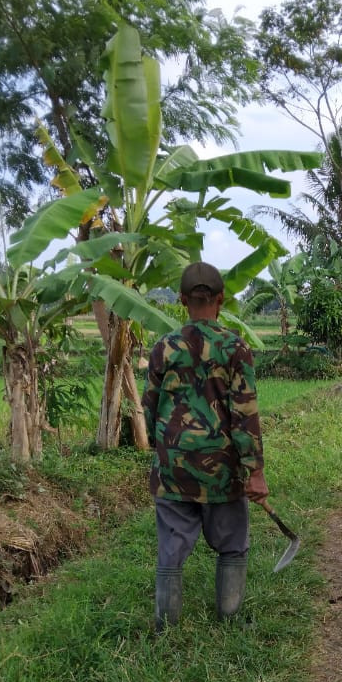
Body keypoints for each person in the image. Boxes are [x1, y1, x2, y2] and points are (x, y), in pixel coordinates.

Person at [141, 261, 269, 630]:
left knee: (171, 550)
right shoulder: (234, 347)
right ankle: (229, 619)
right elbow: (245, 414)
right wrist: (255, 471)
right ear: (221, 300)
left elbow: (149, 408)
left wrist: (163, 450)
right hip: (222, 469)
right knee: (231, 544)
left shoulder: (164, 347)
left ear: (182, 300)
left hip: (173, 467)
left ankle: (166, 626)